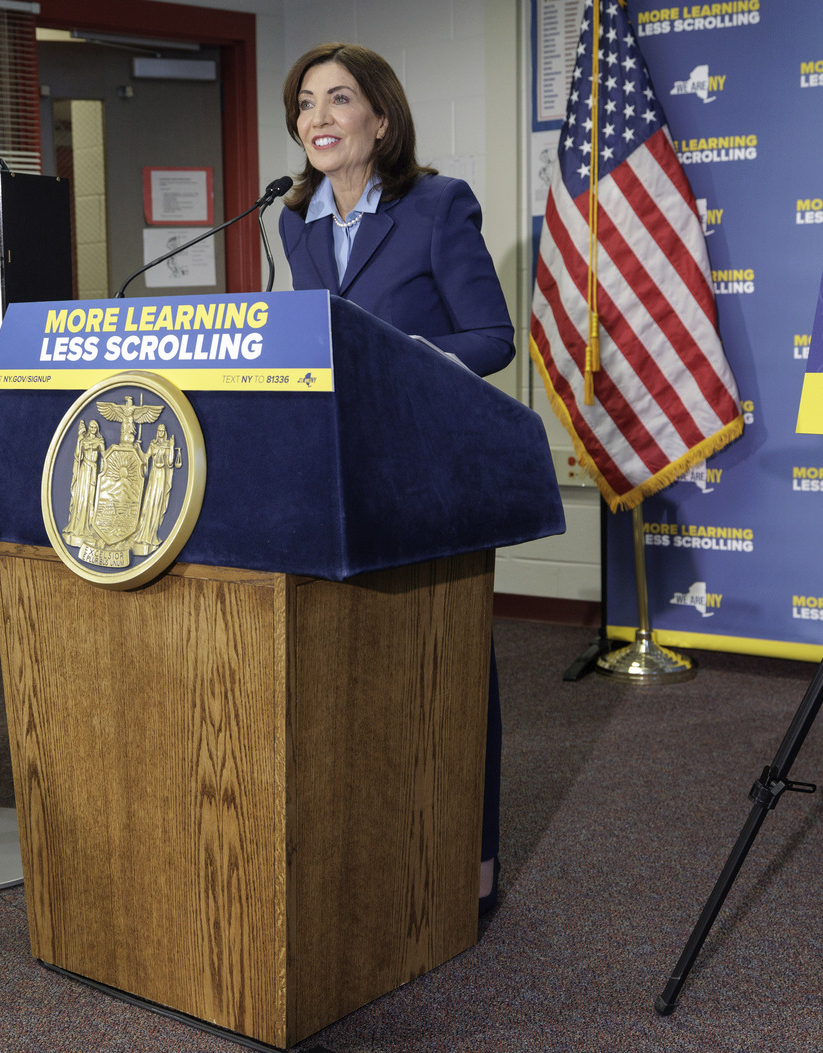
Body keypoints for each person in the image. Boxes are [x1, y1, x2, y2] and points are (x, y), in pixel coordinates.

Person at [279, 42, 514, 914]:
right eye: (306, 103)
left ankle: (473, 861)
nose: (319, 118)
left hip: (424, 473)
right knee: (354, 675)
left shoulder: (436, 205)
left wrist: (399, 360)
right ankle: (375, 855)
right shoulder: (294, 222)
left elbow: (492, 337)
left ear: (381, 118)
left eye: (340, 100)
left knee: (447, 672)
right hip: (334, 478)